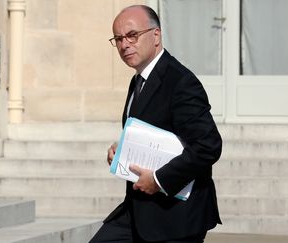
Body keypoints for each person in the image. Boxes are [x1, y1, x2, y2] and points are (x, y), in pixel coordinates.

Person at [90, 5, 222, 243]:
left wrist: (160, 179)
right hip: (138, 210)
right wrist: (122, 151)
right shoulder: (138, 80)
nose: (124, 45)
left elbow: (208, 145)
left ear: (156, 35)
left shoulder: (180, 82)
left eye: (132, 35)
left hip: (176, 218)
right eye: (118, 39)